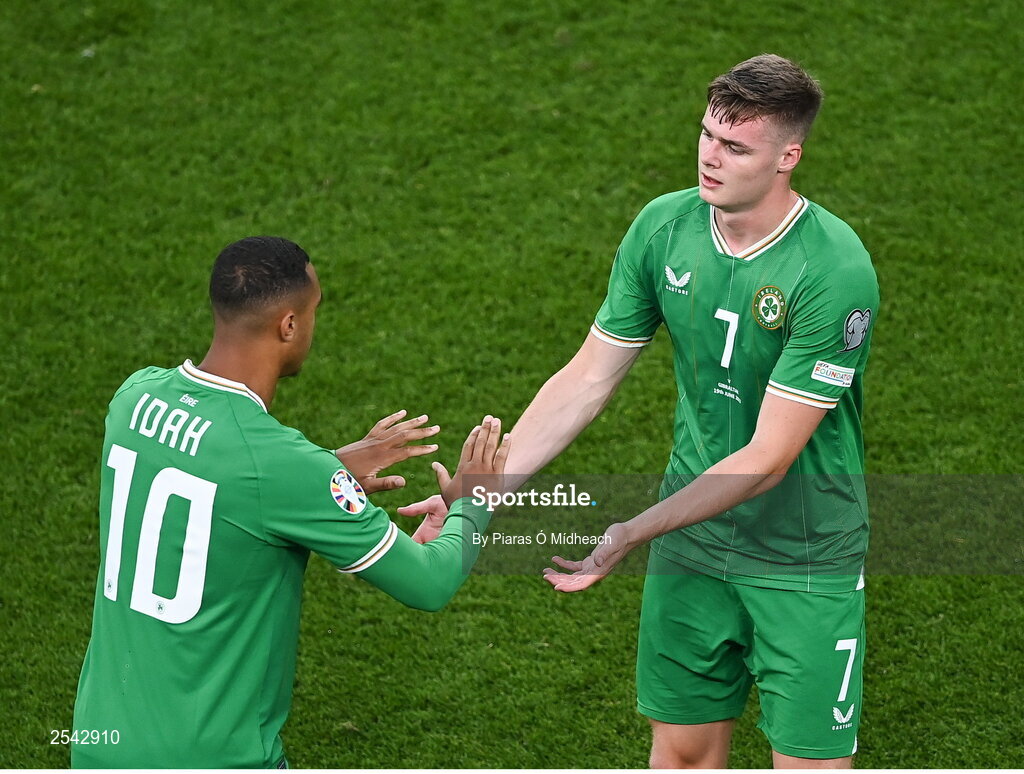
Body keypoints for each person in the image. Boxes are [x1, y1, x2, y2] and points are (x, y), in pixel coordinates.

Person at [520, 55, 878, 767]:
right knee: (682, 755)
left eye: (736, 147)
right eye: (708, 135)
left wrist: (631, 532)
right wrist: (484, 489)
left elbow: (767, 460)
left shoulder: (833, 271)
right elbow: (588, 376)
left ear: (788, 157)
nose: (710, 158)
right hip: (693, 542)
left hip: (802, 553)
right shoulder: (665, 228)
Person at [71, 236, 509, 768]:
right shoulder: (281, 466)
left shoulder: (134, 397)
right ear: (288, 325)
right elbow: (428, 582)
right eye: (314, 309)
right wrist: (475, 498)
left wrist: (328, 471)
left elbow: (211, 477)